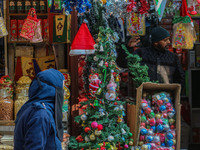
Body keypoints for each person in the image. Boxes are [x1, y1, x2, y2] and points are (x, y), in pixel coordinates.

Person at [14, 69, 65, 150]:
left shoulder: (32, 107)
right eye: (61, 88)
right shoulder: (40, 114)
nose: (63, 92)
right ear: (52, 89)